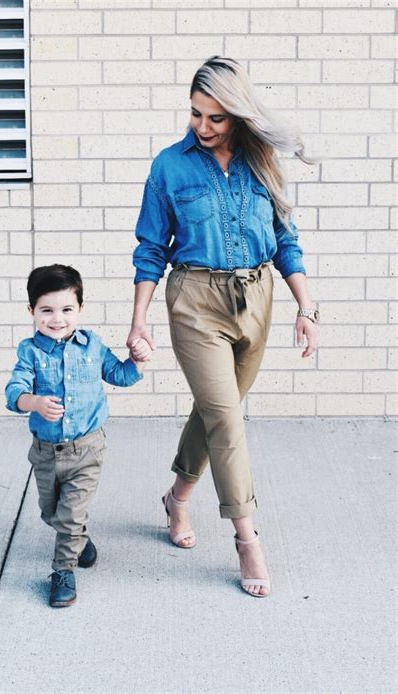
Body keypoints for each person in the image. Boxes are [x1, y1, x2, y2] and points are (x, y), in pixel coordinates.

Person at [127, 56, 318, 598]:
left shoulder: (263, 165)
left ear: (238, 115)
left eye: (216, 117)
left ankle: (177, 498)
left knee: (216, 412)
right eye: (195, 115)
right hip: (196, 301)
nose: (203, 127)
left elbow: (287, 242)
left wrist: (307, 309)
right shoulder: (170, 167)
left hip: (257, 297)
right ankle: (246, 537)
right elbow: (149, 249)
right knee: (229, 422)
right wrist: (139, 321)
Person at [6, 264, 151, 607]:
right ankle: (79, 540)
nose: (58, 319)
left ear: (80, 310)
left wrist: (137, 360)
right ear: (32, 312)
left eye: (67, 309)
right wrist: (36, 402)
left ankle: (63, 570)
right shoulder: (31, 352)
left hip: (87, 449)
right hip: (45, 452)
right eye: (47, 310)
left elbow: (120, 375)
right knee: (51, 513)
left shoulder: (92, 346)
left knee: (70, 515)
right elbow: (14, 392)